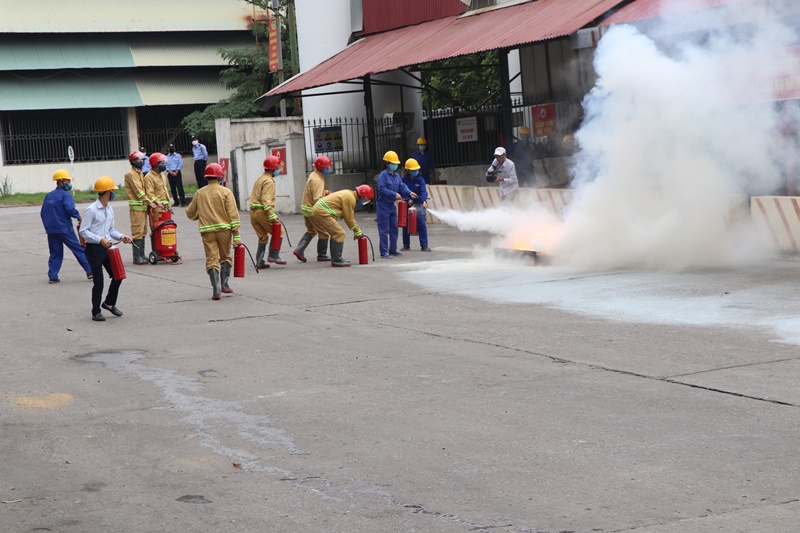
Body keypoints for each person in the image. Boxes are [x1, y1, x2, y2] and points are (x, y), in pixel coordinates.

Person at [79, 176, 132, 322]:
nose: (114, 193)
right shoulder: (92, 210)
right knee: (99, 282)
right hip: (94, 249)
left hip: (108, 247)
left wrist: (122, 236)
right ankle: (96, 311)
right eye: (112, 191)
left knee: (118, 275)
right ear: (108, 192)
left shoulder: (109, 209)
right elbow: (83, 231)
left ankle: (109, 302)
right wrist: (99, 239)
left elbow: (110, 230)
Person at [186, 163, 241, 300]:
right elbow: (233, 215)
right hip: (224, 231)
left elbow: (190, 213)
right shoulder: (226, 192)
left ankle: (216, 289)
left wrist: (199, 216)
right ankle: (225, 285)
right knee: (225, 257)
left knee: (211, 260)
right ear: (220, 177)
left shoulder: (200, 193)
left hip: (207, 231)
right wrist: (237, 235)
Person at [40, 169, 93, 283]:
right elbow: (70, 209)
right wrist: (78, 217)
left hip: (52, 230)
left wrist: (48, 227)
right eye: (67, 181)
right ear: (60, 182)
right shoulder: (65, 195)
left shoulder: (49, 196)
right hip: (64, 229)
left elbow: (43, 213)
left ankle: (53, 276)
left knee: (55, 252)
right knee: (78, 249)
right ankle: (90, 271)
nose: (69, 183)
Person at [309, 185, 372, 267]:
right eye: (365, 199)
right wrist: (357, 231)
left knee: (336, 233)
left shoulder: (349, 193)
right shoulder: (350, 199)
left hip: (319, 210)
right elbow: (349, 218)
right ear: (363, 196)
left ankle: (335, 258)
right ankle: (336, 260)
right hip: (322, 212)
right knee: (339, 233)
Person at [376, 150, 418, 259]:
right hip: (383, 206)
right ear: (387, 163)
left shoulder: (396, 176)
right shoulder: (383, 175)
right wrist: (394, 195)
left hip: (391, 206)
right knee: (384, 230)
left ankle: (393, 250)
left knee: (394, 228)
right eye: (393, 163)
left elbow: (402, 186)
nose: (395, 165)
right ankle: (384, 252)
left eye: (396, 163)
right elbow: (381, 189)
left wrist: (409, 193)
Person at [293, 155, 332, 263]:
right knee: (324, 232)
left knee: (312, 230)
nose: (329, 168)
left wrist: (326, 192)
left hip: (306, 209)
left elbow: (314, 192)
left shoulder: (314, 175)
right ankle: (322, 255)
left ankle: (299, 249)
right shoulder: (317, 180)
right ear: (322, 167)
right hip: (312, 210)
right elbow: (317, 198)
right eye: (328, 167)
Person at [249, 155, 285, 269]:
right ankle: (274, 255)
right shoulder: (269, 181)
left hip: (253, 213)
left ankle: (259, 262)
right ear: (273, 168)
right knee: (279, 232)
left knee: (263, 237)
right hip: (262, 212)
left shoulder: (260, 178)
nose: (279, 170)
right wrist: (272, 215)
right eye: (278, 167)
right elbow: (266, 200)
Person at [124, 150, 149, 264]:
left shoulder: (140, 173)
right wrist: (149, 201)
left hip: (142, 207)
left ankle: (142, 255)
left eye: (142, 159)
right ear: (133, 161)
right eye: (139, 159)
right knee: (137, 232)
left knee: (143, 231)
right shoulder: (130, 174)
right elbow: (138, 191)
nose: (142, 161)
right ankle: (136, 257)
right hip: (136, 208)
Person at [400, 159, 430, 252]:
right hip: (408, 204)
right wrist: (408, 199)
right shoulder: (403, 180)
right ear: (407, 170)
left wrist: (424, 201)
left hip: (419, 204)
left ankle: (424, 245)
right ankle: (406, 245)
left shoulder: (420, 179)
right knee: (405, 225)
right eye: (413, 170)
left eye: (416, 169)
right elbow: (401, 190)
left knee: (421, 224)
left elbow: (423, 191)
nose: (415, 171)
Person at [144, 152, 171, 241]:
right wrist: (159, 203)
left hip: (166, 207)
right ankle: (157, 250)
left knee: (167, 229)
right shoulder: (149, 177)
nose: (164, 165)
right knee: (157, 229)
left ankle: (165, 250)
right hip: (157, 208)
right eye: (162, 163)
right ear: (155, 164)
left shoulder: (162, 175)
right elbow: (150, 194)